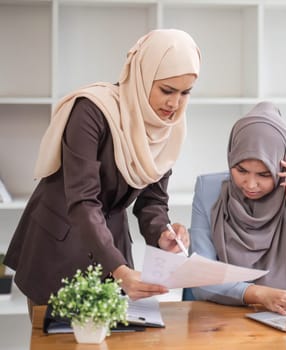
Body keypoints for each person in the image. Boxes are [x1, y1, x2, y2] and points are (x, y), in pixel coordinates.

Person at [4, 29, 201, 316]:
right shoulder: (91, 111)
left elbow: (152, 202)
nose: (174, 105)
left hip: (111, 248)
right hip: (58, 245)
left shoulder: (167, 128)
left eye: (185, 93)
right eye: (167, 90)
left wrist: (162, 233)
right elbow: (83, 200)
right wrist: (119, 268)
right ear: (143, 76)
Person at [188, 101, 286, 316]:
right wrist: (259, 294)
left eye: (264, 174)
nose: (250, 184)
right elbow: (201, 276)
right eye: (241, 170)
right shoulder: (209, 191)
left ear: (282, 166)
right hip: (222, 318)